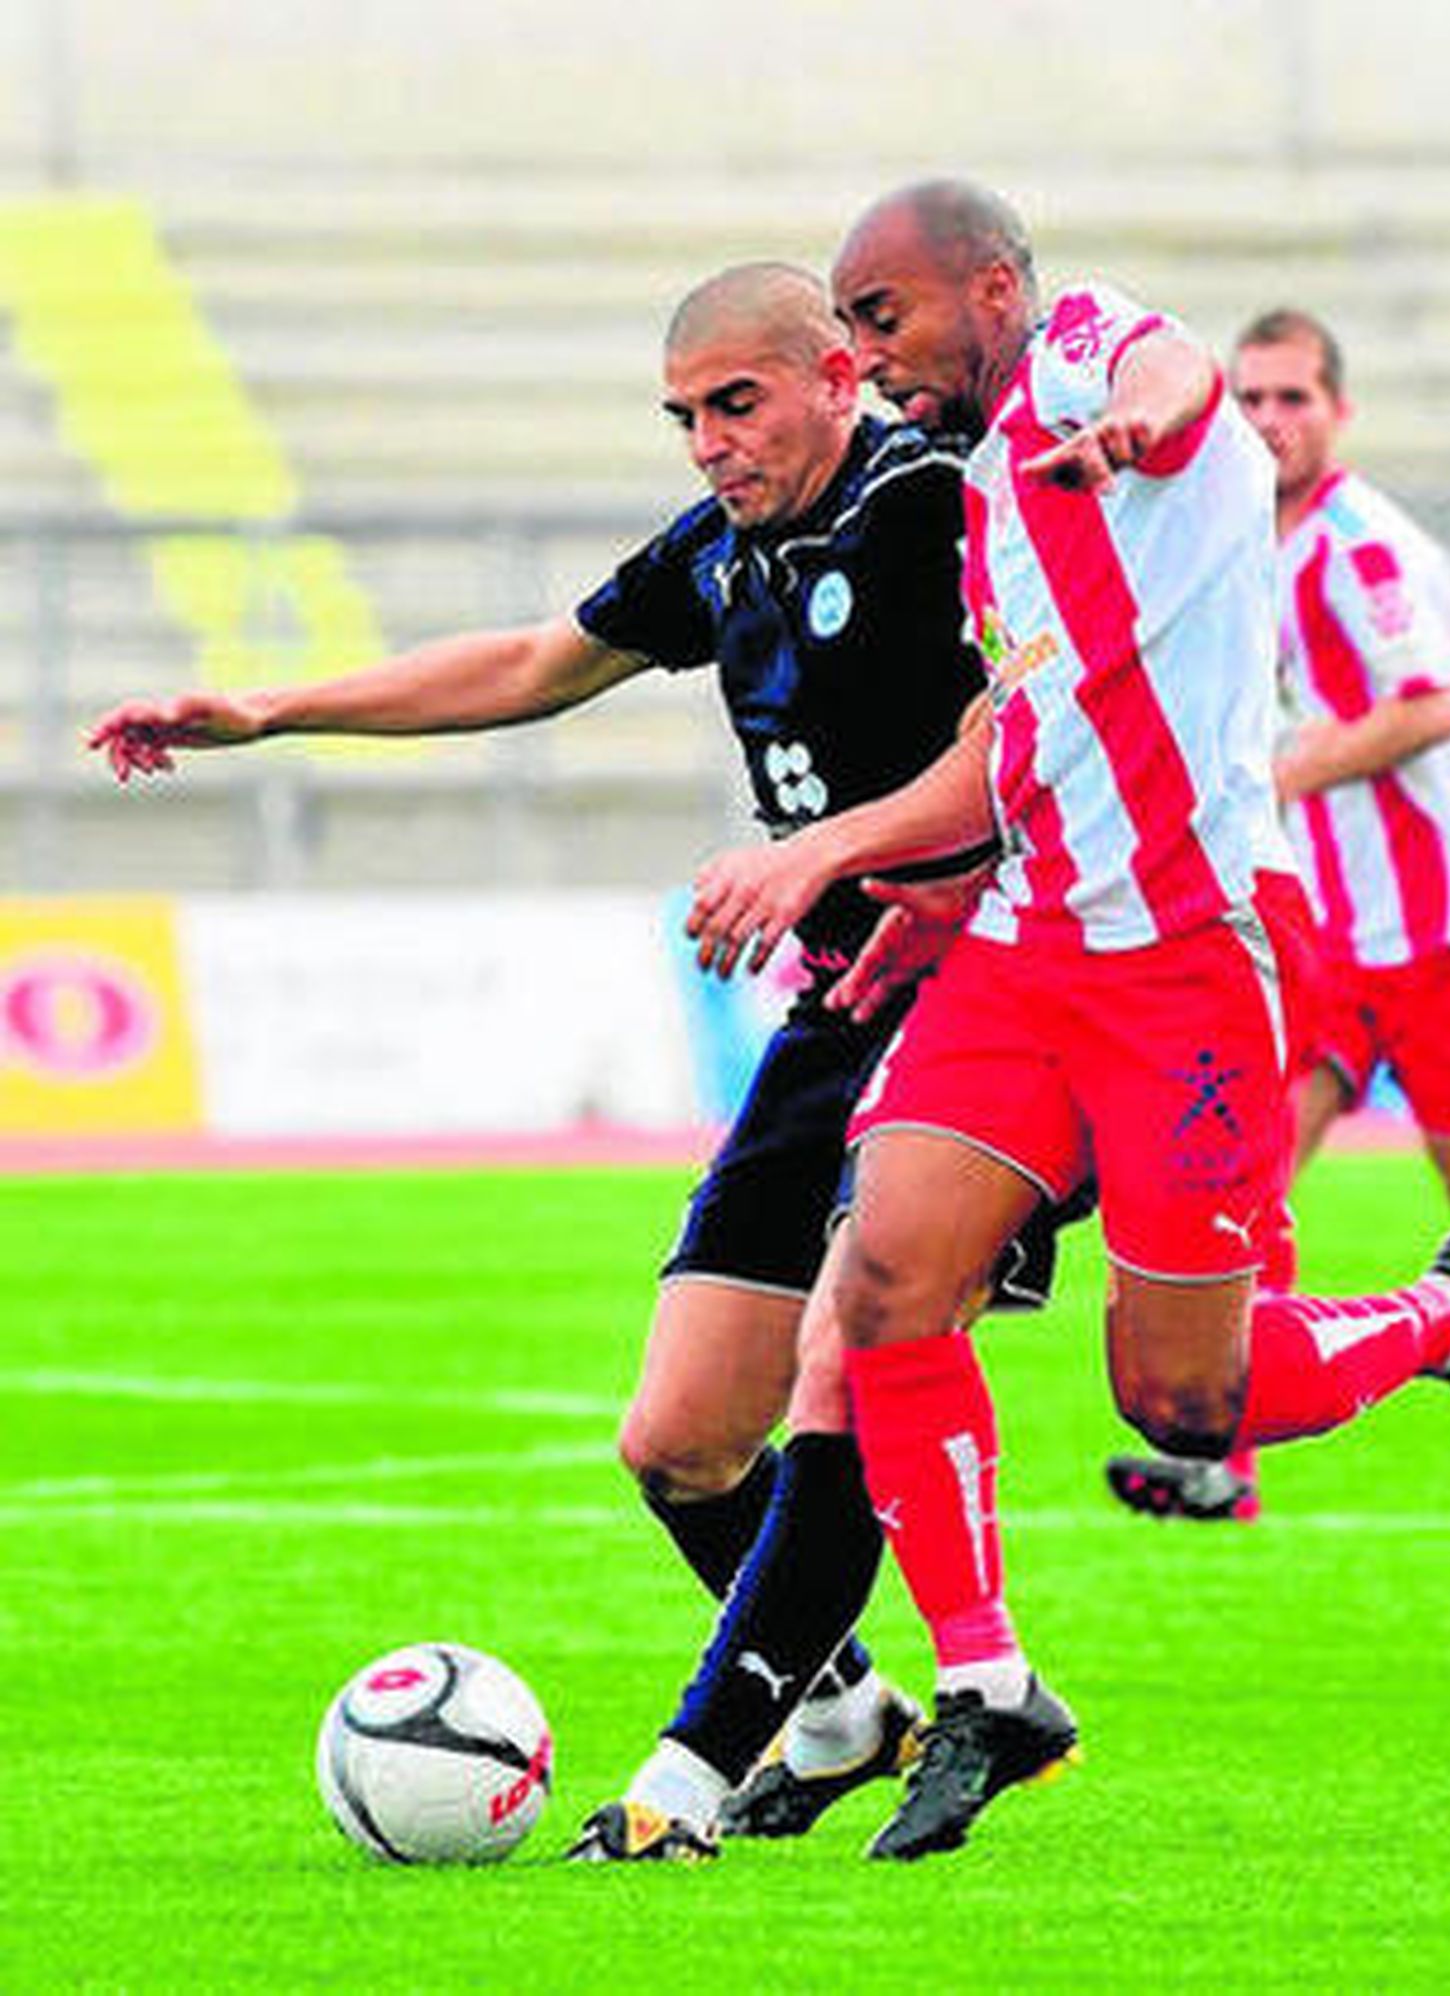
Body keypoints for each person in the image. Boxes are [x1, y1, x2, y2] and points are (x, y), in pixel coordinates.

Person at [87, 260, 1075, 1859]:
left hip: (990, 1005)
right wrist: (270, 711)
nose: (707, 444)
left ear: (838, 373)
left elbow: (1037, 723)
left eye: (735, 404)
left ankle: (681, 1791)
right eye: (683, 417)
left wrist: (838, 848)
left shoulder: (938, 507)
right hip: (836, 1000)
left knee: (852, 1365)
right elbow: (537, 665)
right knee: (680, 1442)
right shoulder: (727, 551)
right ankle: (838, 1712)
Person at [684, 182, 1450, 1862]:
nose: (867, 362)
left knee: (1188, 1403)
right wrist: (918, 883)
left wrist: (1133, 431)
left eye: (883, 321)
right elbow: (1024, 733)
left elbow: (1169, 374)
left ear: (994, 289)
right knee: (883, 1282)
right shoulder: (969, 499)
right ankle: (990, 1685)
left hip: (1188, 963)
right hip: (1024, 948)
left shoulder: (1087, 359)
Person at [1106, 307, 1450, 1525]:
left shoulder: (1367, 548)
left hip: (1445, 930)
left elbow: (1427, 704)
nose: (1271, 421)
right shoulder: (1248, 543)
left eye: (1294, 399)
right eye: (1252, 400)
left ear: (1339, 412)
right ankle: (1221, 1454)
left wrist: (1274, 770)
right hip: (1329, 932)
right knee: (1252, 1157)